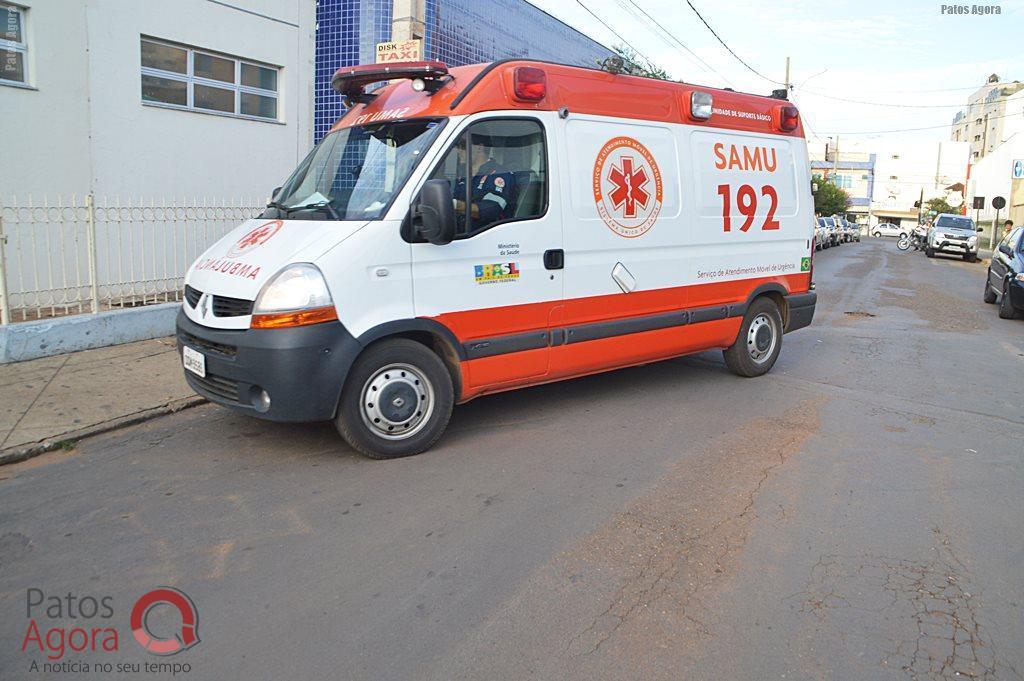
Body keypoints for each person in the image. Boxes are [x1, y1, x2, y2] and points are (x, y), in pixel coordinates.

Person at [452, 137, 517, 232]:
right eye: (458, 147)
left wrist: (454, 205)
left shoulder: (499, 173)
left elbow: (491, 210)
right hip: (459, 235)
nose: (458, 151)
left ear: (479, 148)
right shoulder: (464, 175)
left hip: (485, 236)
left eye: (463, 146)